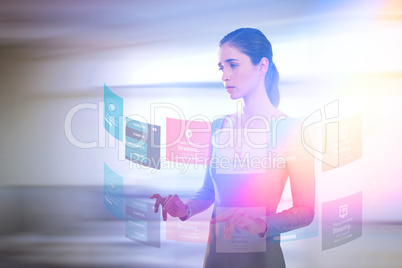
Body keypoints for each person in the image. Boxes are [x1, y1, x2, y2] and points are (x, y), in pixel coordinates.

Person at [151, 28, 315, 268]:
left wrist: (263, 224)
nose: (224, 76)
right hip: (216, 258)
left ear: (262, 66)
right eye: (221, 68)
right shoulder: (219, 126)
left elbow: (306, 210)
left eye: (233, 65)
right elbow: (208, 193)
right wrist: (183, 209)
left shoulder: (293, 130)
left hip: (262, 260)